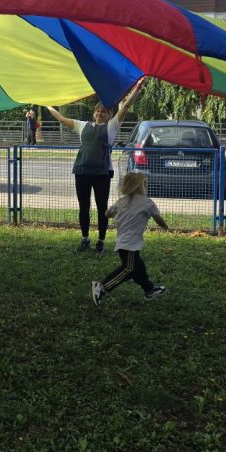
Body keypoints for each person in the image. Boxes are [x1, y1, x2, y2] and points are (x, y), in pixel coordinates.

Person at [46, 79, 145, 254]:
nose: (100, 113)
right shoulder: (82, 126)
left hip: (101, 174)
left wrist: (137, 88)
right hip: (82, 172)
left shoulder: (111, 127)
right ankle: (85, 238)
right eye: (98, 111)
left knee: (102, 208)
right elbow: (61, 118)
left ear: (109, 115)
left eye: (104, 112)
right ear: (94, 113)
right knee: (83, 206)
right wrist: (46, 105)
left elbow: (126, 106)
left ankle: (100, 241)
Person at [91, 172, 169, 306]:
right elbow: (158, 218)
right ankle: (102, 287)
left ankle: (149, 290)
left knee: (138, 267)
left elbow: (107, 214)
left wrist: (111, 211)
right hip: (131, 244)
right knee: (129, 269)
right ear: (141, 186)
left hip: (123, 241)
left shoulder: (122, 201)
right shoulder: (147, 203)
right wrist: (165, 226)